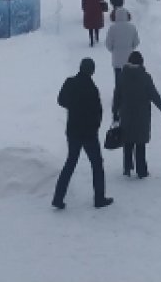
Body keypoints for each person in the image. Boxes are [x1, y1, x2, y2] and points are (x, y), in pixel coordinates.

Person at [51, 58, 113, 210]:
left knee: (70, 163)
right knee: (97, 164)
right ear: (91, 71)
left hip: (72, 131)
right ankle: (99, 198)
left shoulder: (70, 82)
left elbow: (61, 100)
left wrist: (73, 106)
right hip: (89, 133)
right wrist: (95, 127)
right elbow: (98, 112)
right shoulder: (92, 89)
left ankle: (58, 198)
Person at [113, 50, 161, 179]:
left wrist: (115, 112)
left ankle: (127, 168)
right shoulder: (145, 77)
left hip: (126, 114)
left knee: (127, 141)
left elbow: (117, 96)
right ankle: (141, 170)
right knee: (140, 143)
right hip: (141, 116)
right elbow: (154, 96)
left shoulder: (122, 76)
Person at [104, 6, 139, 89]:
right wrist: (131, 48)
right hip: (130, 59)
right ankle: (129, 95)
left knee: (118, 80)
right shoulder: (132, 27)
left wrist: (114, 50)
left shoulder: (112, 28)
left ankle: (118, 97)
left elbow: (108, 44)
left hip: (117, 59)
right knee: (130, 80)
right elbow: (136, 42)